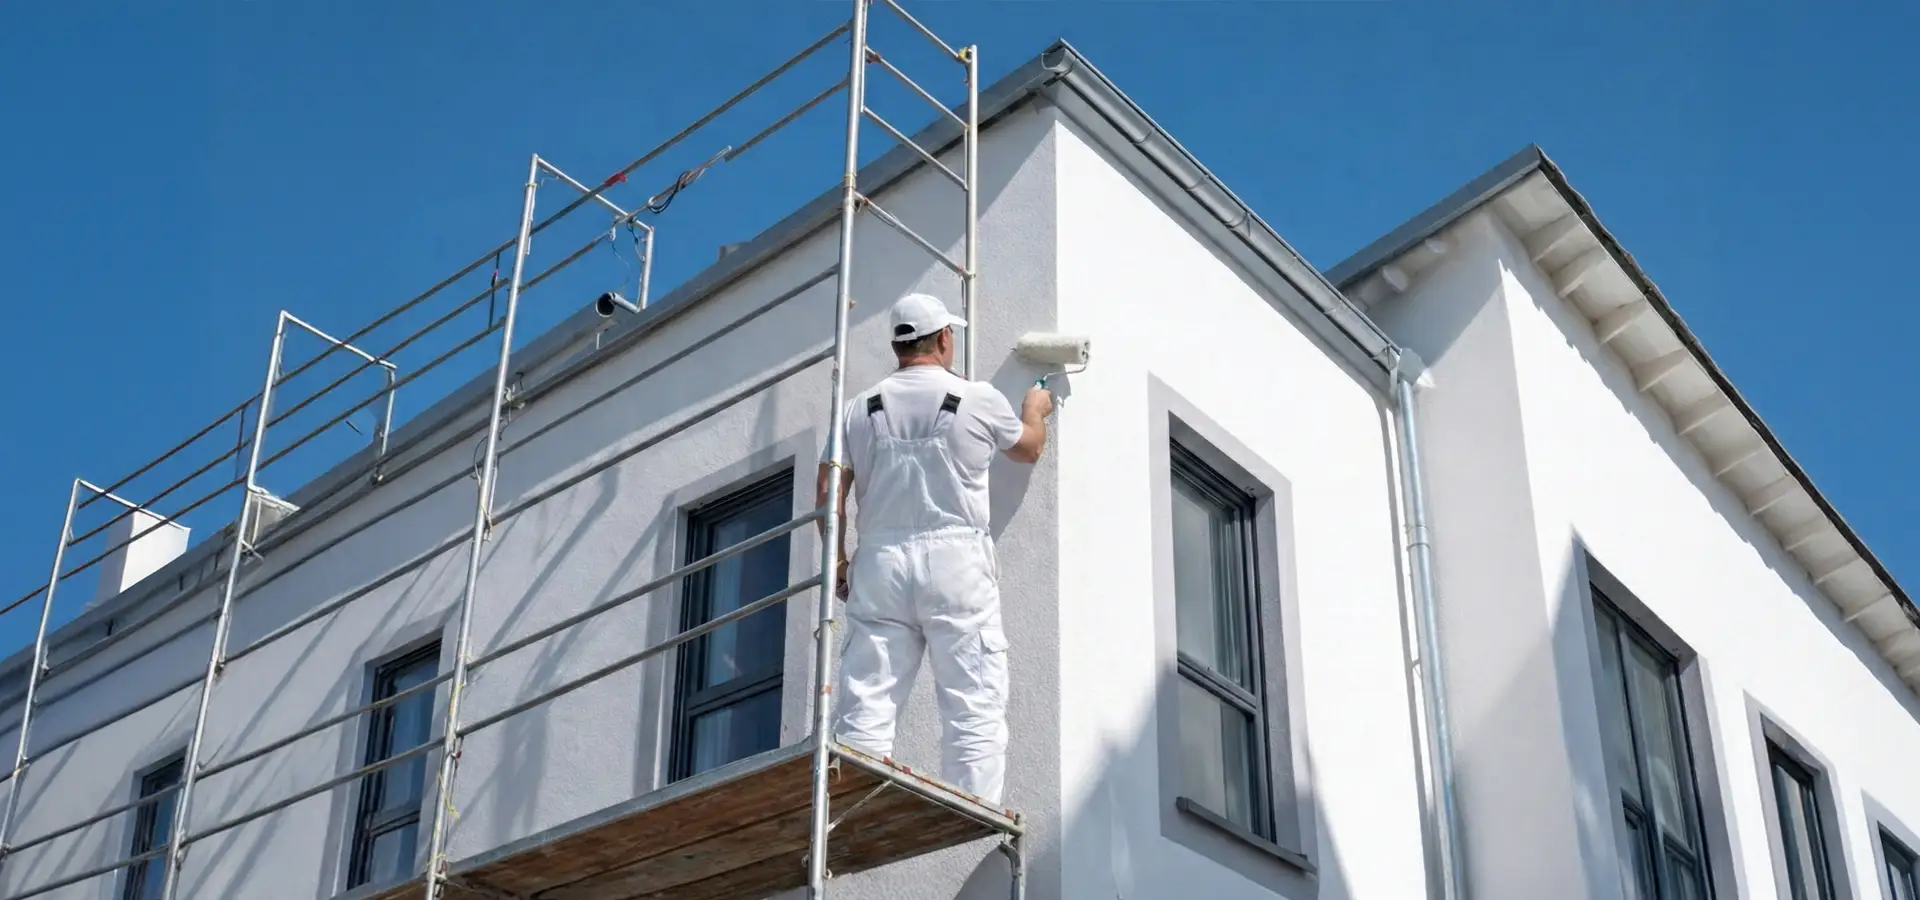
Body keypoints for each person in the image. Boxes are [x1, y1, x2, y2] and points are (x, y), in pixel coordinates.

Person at [815, 291, 1051, 805]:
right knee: (973, 697)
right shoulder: (977, 397)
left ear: (898, 345)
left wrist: (837, 561)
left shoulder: (858, 408)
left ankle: (848, 806)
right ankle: (972, 812)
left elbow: (828, 489)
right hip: (955, 560)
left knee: (867, 700)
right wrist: (1035, 408)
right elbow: (1028, 448)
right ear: (945, 337)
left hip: (879, 563)